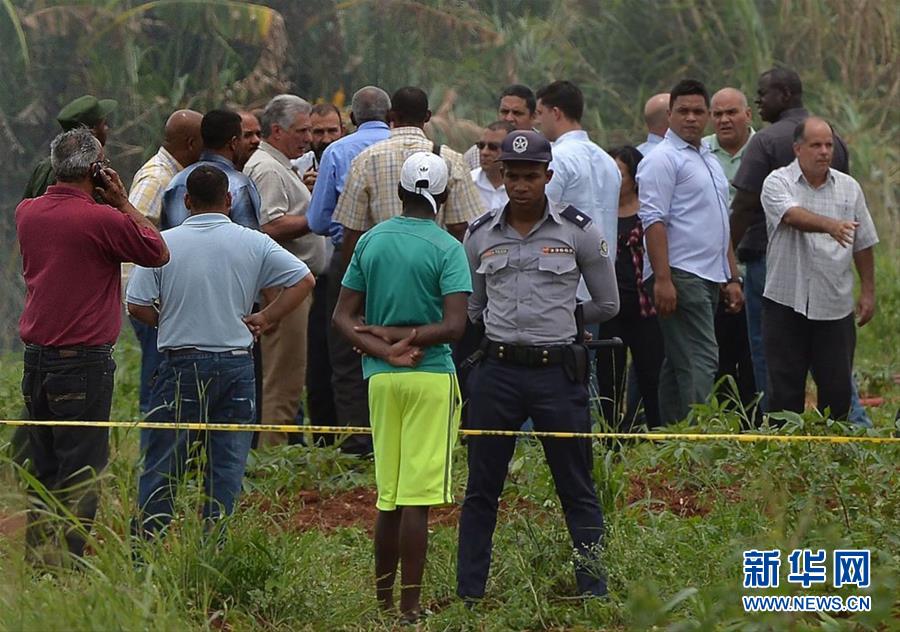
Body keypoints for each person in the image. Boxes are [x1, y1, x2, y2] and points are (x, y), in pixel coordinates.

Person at [457, 130, 618, 602]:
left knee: (576, 485)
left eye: (531, 176)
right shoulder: (480, 232)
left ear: (548, 175)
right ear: (501, 175)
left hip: (556, 373)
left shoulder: (579, 230)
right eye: (513, 175)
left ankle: (593, 590)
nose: (521, 185)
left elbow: (606, 302)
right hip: (498, 371)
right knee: (482, 488)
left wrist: (565, 318)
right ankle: (470, 594)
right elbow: (473, 307)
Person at [127, 165, 315, 537]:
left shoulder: (164, 243)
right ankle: (215, 546)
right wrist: (266, 317)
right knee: (227, 466)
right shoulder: (253, 241)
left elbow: (136, 305)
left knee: (164, 464)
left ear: (186, 201)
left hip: (181, 364)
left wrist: (169, 322)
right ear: (229, 200)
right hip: (236, 367)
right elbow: (304, 280)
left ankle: (145, 551)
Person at [16, 128, 168, 564]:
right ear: (97, 170)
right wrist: (121, 200)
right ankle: (67, 565)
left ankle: (38, 562)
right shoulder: (102, 220)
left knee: (42, 469)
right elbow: (156, 250)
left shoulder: (28, 213)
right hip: (82, 364)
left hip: (37, 363)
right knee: (81, 472)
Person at [333, 152, 470, 622]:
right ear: (446, 194)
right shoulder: (448, 248)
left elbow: (342, 317)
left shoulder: (371, 240)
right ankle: (410, 611)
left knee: (388, 497)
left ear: (400, 193)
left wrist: (385, 346)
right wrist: (410, 338)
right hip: (431, 378)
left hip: (382, 382)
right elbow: (454, 326)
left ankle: (383, 604)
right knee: (418, 498)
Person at [332, 86, 483, 453]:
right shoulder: (452, 160)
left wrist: (361, 284)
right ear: (428, 117)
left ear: (390, 118)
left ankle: (361, 440)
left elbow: (350, 232)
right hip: (439, 280)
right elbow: (468, 228)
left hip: (377, 277)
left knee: (358, 360)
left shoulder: (366, 158)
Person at [729, 68, 850, 413]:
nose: (758, 102)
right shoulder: (833, 139)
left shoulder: (765, 141)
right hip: (828, 264)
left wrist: (726, 260)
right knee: (832, 357)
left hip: (773, 264)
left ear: (783, 94)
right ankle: (846, 424)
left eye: (762, 94)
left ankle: (780, 429)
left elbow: (744, 207)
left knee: (773, 353)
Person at [636, 79, 744, 425]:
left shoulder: (707, 158)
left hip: (710, 273)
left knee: (679, 358)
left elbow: (720, 220)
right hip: (682, 273)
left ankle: (671, 436)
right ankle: (700, 440)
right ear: (669, 115)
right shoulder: (662, 159)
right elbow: (653, 220)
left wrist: (731, 276)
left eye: (699, 111)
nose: (692, 118)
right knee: (701, 356)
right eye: (683, 111)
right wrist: (663, 278)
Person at [760, 117, 878, 420]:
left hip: (834, 304)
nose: (824, 151)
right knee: (785, 390)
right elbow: (792, 216)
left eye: (828, 145)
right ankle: (782, 456)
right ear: (798, 148)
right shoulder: (778, 181)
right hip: (786, 301)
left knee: (837, 390)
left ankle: (834, 457)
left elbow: (863, 242)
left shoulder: (849, 188)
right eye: (816, 145)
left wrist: (868, 290)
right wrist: (831, 226)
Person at [306, 85, 392, 453]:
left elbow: (319, 219)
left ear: (352, 120)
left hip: (352, 258)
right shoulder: (415, 149)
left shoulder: (339, 152)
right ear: (390, 117)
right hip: (403, 259)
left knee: (345, 348)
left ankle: (359, 439)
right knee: (398, 339)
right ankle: (395, 433)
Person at [243, 94, 327, 446]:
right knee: (284, 375)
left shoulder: (279, 164)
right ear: (277, 130)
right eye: (302, 130)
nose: (308, 138)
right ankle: (272, 455)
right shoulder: (266, 168)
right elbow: (268, 226)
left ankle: (275, 448)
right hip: (283, 287)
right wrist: (315, 218)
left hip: (293, 285)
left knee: (289, 373)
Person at [126, 109, 203, 415]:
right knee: (158, 385)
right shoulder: (158, 178)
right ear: (190, 142)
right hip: (153, 300)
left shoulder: (175, 175)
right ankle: (154, 456)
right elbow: (134, 230)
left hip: (160, 297)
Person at [595, 146, 663, 430]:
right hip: (611, 307)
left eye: (618, 173)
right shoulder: (600, 212)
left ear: (634, 177)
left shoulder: (649, 211)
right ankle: (609, 435)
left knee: (652, 374)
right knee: (609, 376)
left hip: (646, 306)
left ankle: (657, 432)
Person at [702, 88, 757, 409]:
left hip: (756, 269)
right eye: (718, 114)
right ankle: (722, 421)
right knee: (717, 355)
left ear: (748, 115)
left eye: (732, 112)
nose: (724, 120)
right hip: (712, 272)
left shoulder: (763, 150)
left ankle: (755, 420)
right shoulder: (701, 152)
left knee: (754, 351)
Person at [535, 80, 621, 245]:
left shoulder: (555, 158)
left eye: (540, 113)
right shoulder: (608, 161)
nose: (538, 121)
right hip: (604, 263)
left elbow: (540, 214)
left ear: (555, 113)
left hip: (566, 264)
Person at [161, 109, 261, 230]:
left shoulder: (176, 181)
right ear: (234, 143)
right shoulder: (239, 184)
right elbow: (249, 240)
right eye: (242, 138)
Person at [22, 95, 117, 199]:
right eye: (103, 124)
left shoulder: (44, 167)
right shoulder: (93, 172)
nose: (107, 129)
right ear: (93, 129)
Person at [463, 84, 537, 169]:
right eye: (504, 112)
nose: (509, 118)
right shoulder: (476, 154)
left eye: (517, 113)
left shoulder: (548, 149)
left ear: (533, 117)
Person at [293, 102, 345, 191]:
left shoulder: (356, 165)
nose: (326, 139)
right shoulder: (297, 169)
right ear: (308, 134)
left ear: (343, 132)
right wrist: (303, 192)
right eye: (319, 132)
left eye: (332, 131)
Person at [469, 120, 514, 212]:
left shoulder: (521, 187)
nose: (484, 152)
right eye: (481, 146)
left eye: (493, 147)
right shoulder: (467, 183)